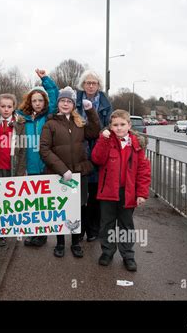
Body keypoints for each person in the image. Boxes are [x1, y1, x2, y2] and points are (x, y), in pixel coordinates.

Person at [40, 86, 100, 258]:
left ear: (73, 105)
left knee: (78, 209)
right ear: (58, 103)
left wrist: (90, 111)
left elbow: (95, 131)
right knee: (61, 209)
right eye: (63, 101)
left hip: (79, 174)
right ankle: (59, 243)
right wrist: (62, 169)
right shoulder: (50, 124)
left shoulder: (79, 122)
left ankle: (75, 243)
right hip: (58, 175)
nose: (65, 104)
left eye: (69, 101)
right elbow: (44, 149)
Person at [91, 109, 151, 272]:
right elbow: (97, 159)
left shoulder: (136, 144)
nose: (118, 128)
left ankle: (128, 255)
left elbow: (143, 171)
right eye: (115, 125)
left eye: (122, 124)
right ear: (110, 126)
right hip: (108, 192)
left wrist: (141, 193)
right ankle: (107, 252)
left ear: (129, 125)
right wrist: (103, 141)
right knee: (107, 224)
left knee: (126, 225)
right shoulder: (106, 140)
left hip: (128, 192)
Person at [17, 69, 59, 247]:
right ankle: (34, 233)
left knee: (44, 203)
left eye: (40, 100)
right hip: (30, 166)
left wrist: (45, 79)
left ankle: (42, 236)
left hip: (46, 165)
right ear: (29, 102)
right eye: (34, 100)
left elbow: (54, 94)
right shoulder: (23, 119)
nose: (37, 103)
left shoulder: (48, 116)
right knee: (32, 203)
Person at [0, 94, 26, 246]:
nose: (6, 109)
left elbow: (22, 151)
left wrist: (20, 172)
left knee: (12, 201)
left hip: (11, 167)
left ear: (14, 107)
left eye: (9, 106)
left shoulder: (20, 123)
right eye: (3, 106)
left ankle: (14, 229)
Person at [75, 70, 113, 242]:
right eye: (87, 82)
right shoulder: (75, 101)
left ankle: (93, 229)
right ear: (83, 85)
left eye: (94, 83)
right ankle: (79, 229)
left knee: (96, 193)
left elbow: (109, 125)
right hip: (79, 150)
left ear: (99, 85)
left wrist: (102, 135)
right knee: (79, 194)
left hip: (98, 149)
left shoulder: (105, 103)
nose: (90, 85)